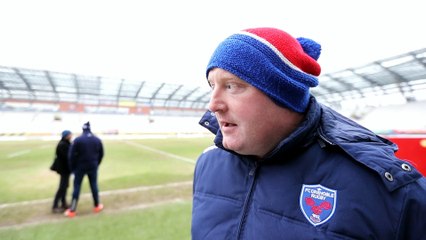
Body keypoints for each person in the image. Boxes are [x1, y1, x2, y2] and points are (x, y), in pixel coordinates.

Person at [191, 27, 426, 239]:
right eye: (213, 86)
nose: (213, 105)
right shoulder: (208, 165)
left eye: (231, 86)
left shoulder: (388, 189)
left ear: (282, 95)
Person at [64, 121, 104, 218]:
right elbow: (101, 154)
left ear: (83, 129)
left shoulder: (78, 140)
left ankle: (72, 210)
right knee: (94, 185)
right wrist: (96, 163)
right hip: (93, 166)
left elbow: (71, 156)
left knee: (77, 187)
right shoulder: (97, 140)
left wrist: (72, 168)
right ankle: (97, 205)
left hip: (80, 167)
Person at [50, 130, 72, 213]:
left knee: (65, 186)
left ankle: (63, 203)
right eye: (70, 134)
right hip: (64, 169)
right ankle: (55, 206)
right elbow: (67, 157)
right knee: (62, 187)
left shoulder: (66, 143)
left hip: (66, 169)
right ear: (66, 135)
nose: (71, 136)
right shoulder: (63, 145)